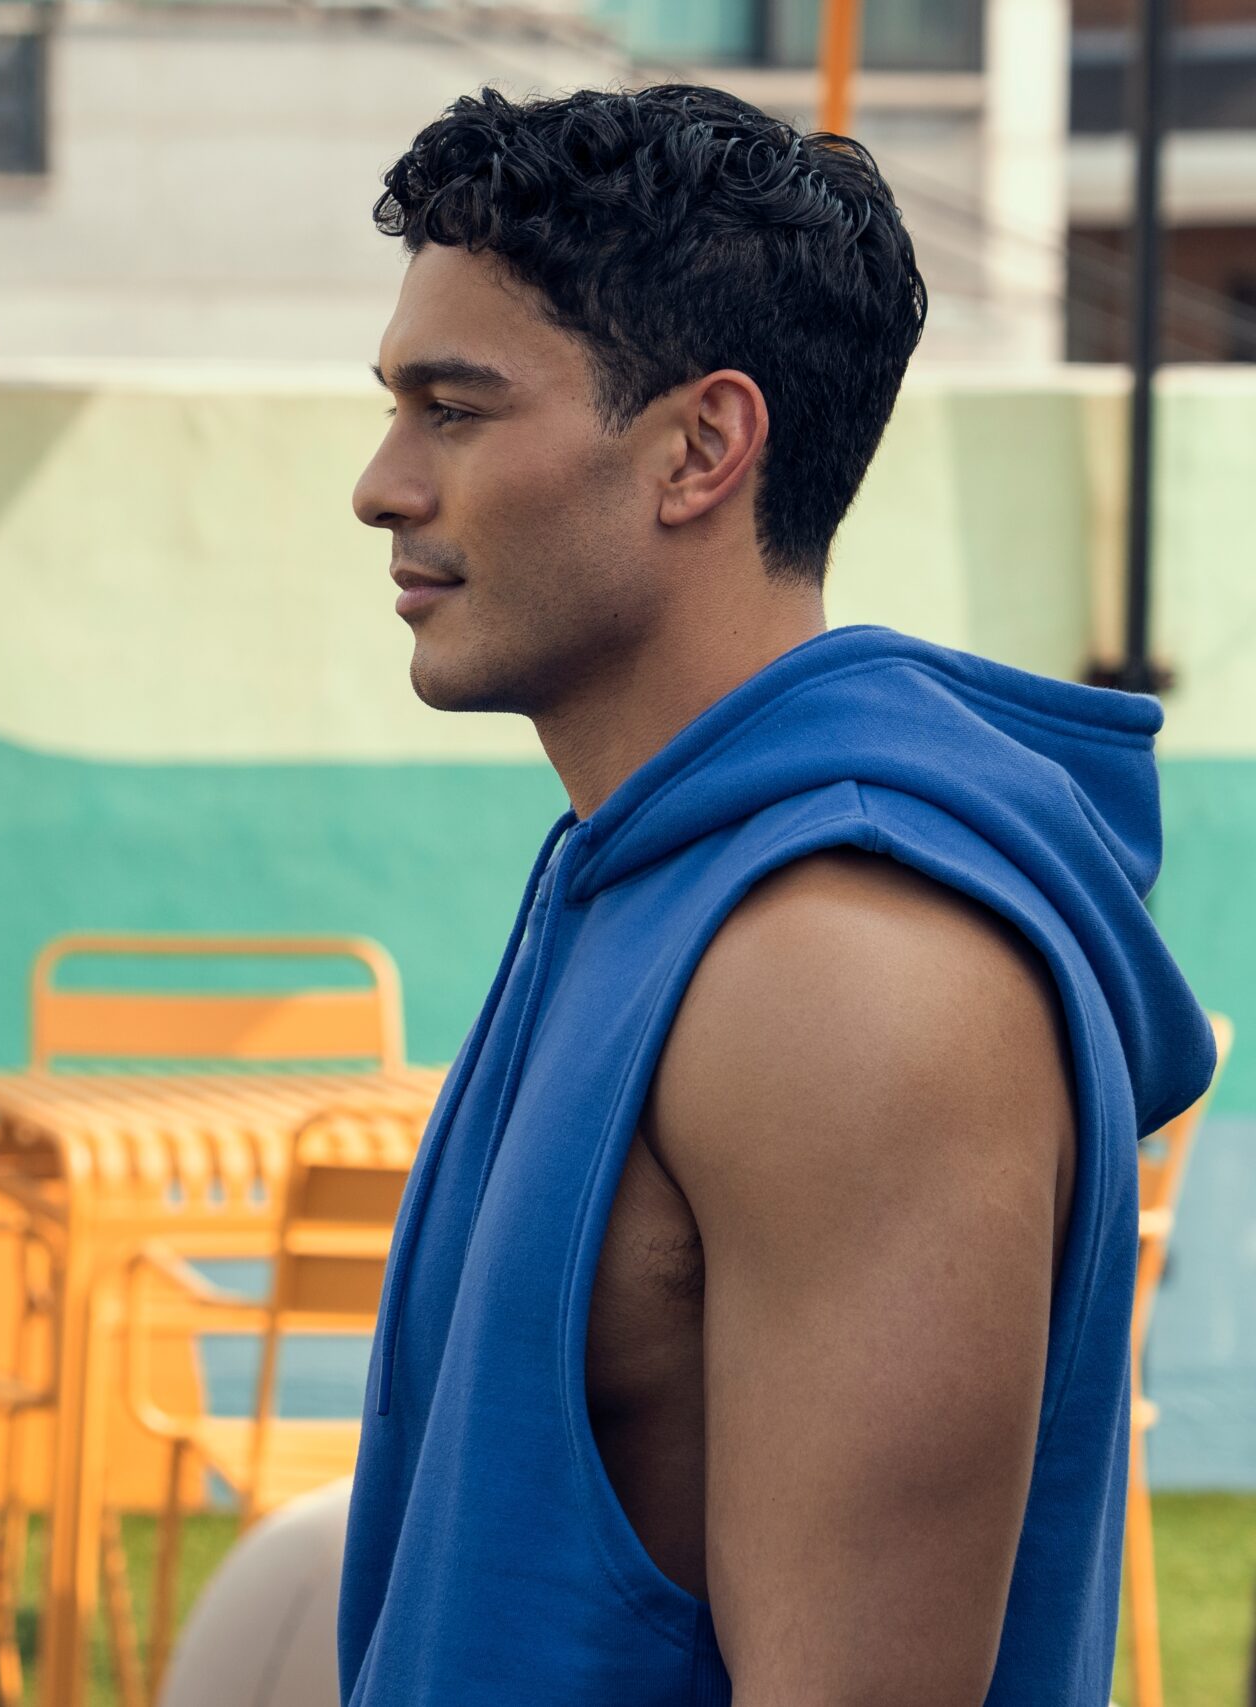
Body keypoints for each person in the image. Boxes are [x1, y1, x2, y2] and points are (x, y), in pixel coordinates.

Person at [338, 86, 1214, 1703]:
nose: (382, 486)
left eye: (452, 409)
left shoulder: (847, 971)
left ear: (701, 448)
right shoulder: (637, 875)